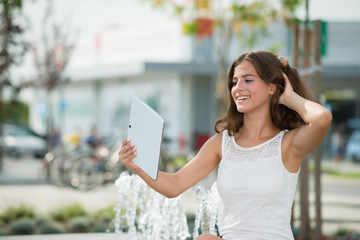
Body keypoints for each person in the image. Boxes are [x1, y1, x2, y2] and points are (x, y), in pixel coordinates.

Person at [118, 51, 332, 239]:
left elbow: (322, 118)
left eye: (248, 80)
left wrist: (289, 97)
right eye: (234, 81)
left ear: (271, 88)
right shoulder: (222, 143)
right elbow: (174, 185)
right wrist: (138, 165)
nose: (238, 88)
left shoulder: (288, 144)